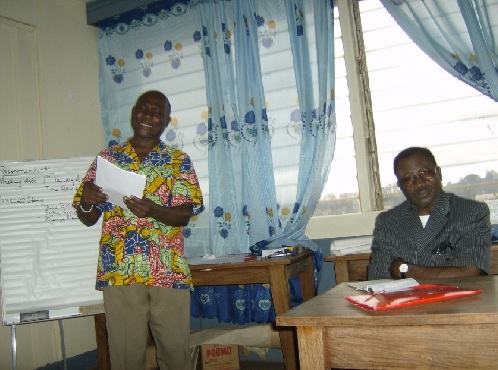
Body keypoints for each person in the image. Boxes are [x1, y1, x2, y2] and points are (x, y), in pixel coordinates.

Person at [73, 90, 203, 370]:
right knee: (125, 358)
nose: (149, 116)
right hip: (120, 270)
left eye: (157, 113)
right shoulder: (107, 159)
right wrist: (85, 202)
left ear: (166, 121)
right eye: (144, 109)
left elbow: (184, 214)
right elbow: (88, 217)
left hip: (167, 269)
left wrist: (154, 210)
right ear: (134, 113)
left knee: (176, 354)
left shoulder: (178, 161)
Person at [368, 146, 490, 280]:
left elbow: (470, 273)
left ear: (438, 173)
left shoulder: (471, 212)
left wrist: (406, 270)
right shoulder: (388, 222)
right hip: (407, 300)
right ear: (401, 186)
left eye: (424, 173)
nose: (419, 184)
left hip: (456, 299)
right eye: (408, 178)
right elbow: (378, 279)